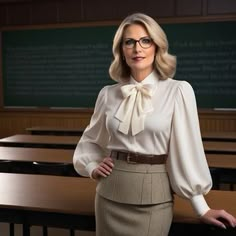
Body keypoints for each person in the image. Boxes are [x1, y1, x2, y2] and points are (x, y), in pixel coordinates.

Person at [73, 12, 236, 236]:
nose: (137, 48)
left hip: (154, 198)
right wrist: (91, 166)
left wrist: (201, 208)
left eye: (145, 41)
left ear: (157, 46)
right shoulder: (107, 94)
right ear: (121, 49)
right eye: (129, 42)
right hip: (109, 195)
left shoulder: (178, 91)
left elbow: (185, 153)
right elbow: (90, 141)